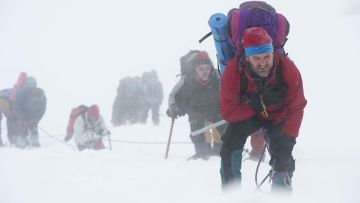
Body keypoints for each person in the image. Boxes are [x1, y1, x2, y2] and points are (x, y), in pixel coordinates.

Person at [219, 27, 307, 192]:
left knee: (283, 158)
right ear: (247, 58)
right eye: (256, 58)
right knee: (229, 146)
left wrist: (287, 140)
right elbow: (228, 112)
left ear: (273, 53)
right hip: (248, 114)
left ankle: (281, 194)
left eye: (267, 56)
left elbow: (296, 106)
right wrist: (253, 105)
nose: (263, 63)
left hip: (279, 116)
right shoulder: (232, 72)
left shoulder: (288, 70)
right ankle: (231, 196)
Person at [166, 51, 224, 160]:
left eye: (207, 68)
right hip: (195, 111)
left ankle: (220, 151)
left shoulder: (217, 77)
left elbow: (228, 92)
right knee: (196, 130)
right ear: (195, 70)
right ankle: (202, 154)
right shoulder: (187, 80)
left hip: (216, 110)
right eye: (201, 69)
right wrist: (173, 107)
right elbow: (174, 95)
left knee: (224, 128)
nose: (204, 72)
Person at [12, 76, 47, 148]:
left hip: (33, 115)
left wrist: (35, 120)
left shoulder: (42, 96)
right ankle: (22, 141)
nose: (31, 87)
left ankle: (33, 141)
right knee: (23, 126)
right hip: (22, 114)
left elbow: (41, 110)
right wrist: (23, 118)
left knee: (33, 125)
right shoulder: (21, 93)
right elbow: (16, 107)